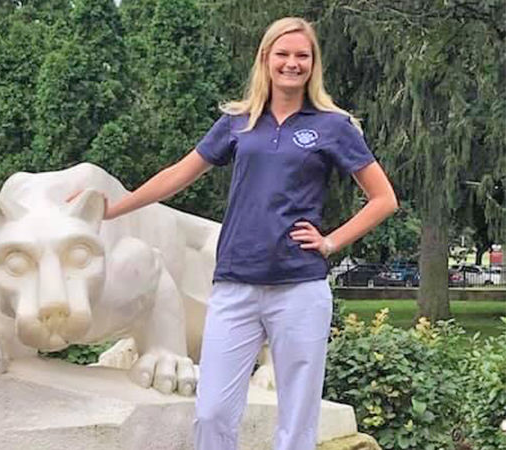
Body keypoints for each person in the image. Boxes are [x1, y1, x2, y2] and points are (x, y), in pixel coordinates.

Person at [73, 17, 397, 450]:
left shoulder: (332, 126)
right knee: (211, 414)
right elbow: (177, 176)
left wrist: (331, 241)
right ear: (265, 58)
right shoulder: (238, 122)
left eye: (303, 56)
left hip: (299, 287)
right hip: (234, 286)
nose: (292, 63)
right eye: (283, 54)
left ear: (313, 64)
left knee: (297, 423)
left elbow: (383, 198)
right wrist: (113, 208)